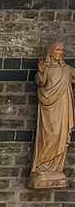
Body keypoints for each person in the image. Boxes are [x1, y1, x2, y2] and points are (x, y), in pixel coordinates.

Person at [29, 40, 75, 189]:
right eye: (57, 50)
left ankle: (55, 167)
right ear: (51, 52)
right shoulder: (47, 69)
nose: (60, 53)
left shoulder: (67, 70)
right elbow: (40, 81)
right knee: (49, 135)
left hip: (63, 107)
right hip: (48, 109)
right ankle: (42, 165)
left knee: (60, 135)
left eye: (62, 50)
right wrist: (41, 71)